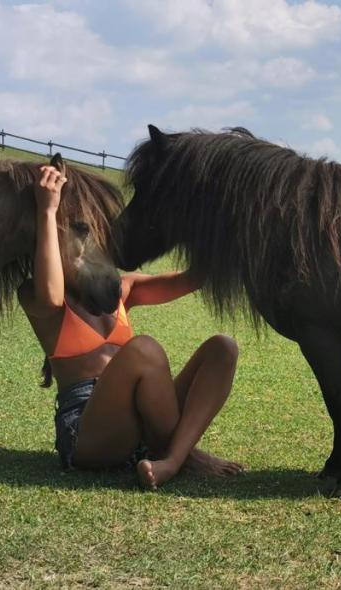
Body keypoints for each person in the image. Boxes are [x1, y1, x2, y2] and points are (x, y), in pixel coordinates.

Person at [18, 163, 243, 490]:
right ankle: (181, 457)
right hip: (88, 433)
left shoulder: (122, 290)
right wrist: (47, 209)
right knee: (143, 350)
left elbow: (194, 279)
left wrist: (212, 217)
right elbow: (52, 295)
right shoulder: (37, 298)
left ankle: (173, 458)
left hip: (141, 424)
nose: (94, 246)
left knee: (223, 348)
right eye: (83, 233)